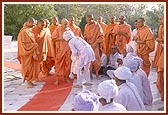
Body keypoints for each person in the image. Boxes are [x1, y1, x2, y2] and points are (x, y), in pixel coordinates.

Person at [17, 18, 40, 88]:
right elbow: (25, 45)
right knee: (28, 67)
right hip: (26, 53)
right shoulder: (24, 31)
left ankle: (30, 81)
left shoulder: (29, 30)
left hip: (31, 53)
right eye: (33, 24)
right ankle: (28, 82)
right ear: (29, 22)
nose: (34, 26)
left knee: (32, 67)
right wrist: (34, 45)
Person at [51, 18, 71, 85]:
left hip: (68, 49)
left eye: (67, 24)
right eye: (65, 24)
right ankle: (57, 79)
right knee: (59, 64)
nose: (66, 25)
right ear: (61, 23)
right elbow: (53, 38)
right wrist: (60, 39)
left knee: (68, 64)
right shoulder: (58, 29)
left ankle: (66, 77)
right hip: (60, 49)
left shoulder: (69, 29)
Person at [84, 14, 104, 80]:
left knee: (97, 59)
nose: (90, 21)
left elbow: (101, 36)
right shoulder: (86, 26)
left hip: (95, 45)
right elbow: (85, 36)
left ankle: (97, 74)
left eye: (91, 19)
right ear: (86, 19)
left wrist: (95, 43)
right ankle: (90, 74)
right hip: (89, 45)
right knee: (89, 60)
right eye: (89, 20)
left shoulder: (97, 25)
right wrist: (86, 44)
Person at [153, 15, 164, 101]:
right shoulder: (160, 26)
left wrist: (161, 40)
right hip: (161, 49)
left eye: (161, 19)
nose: (159, 20)